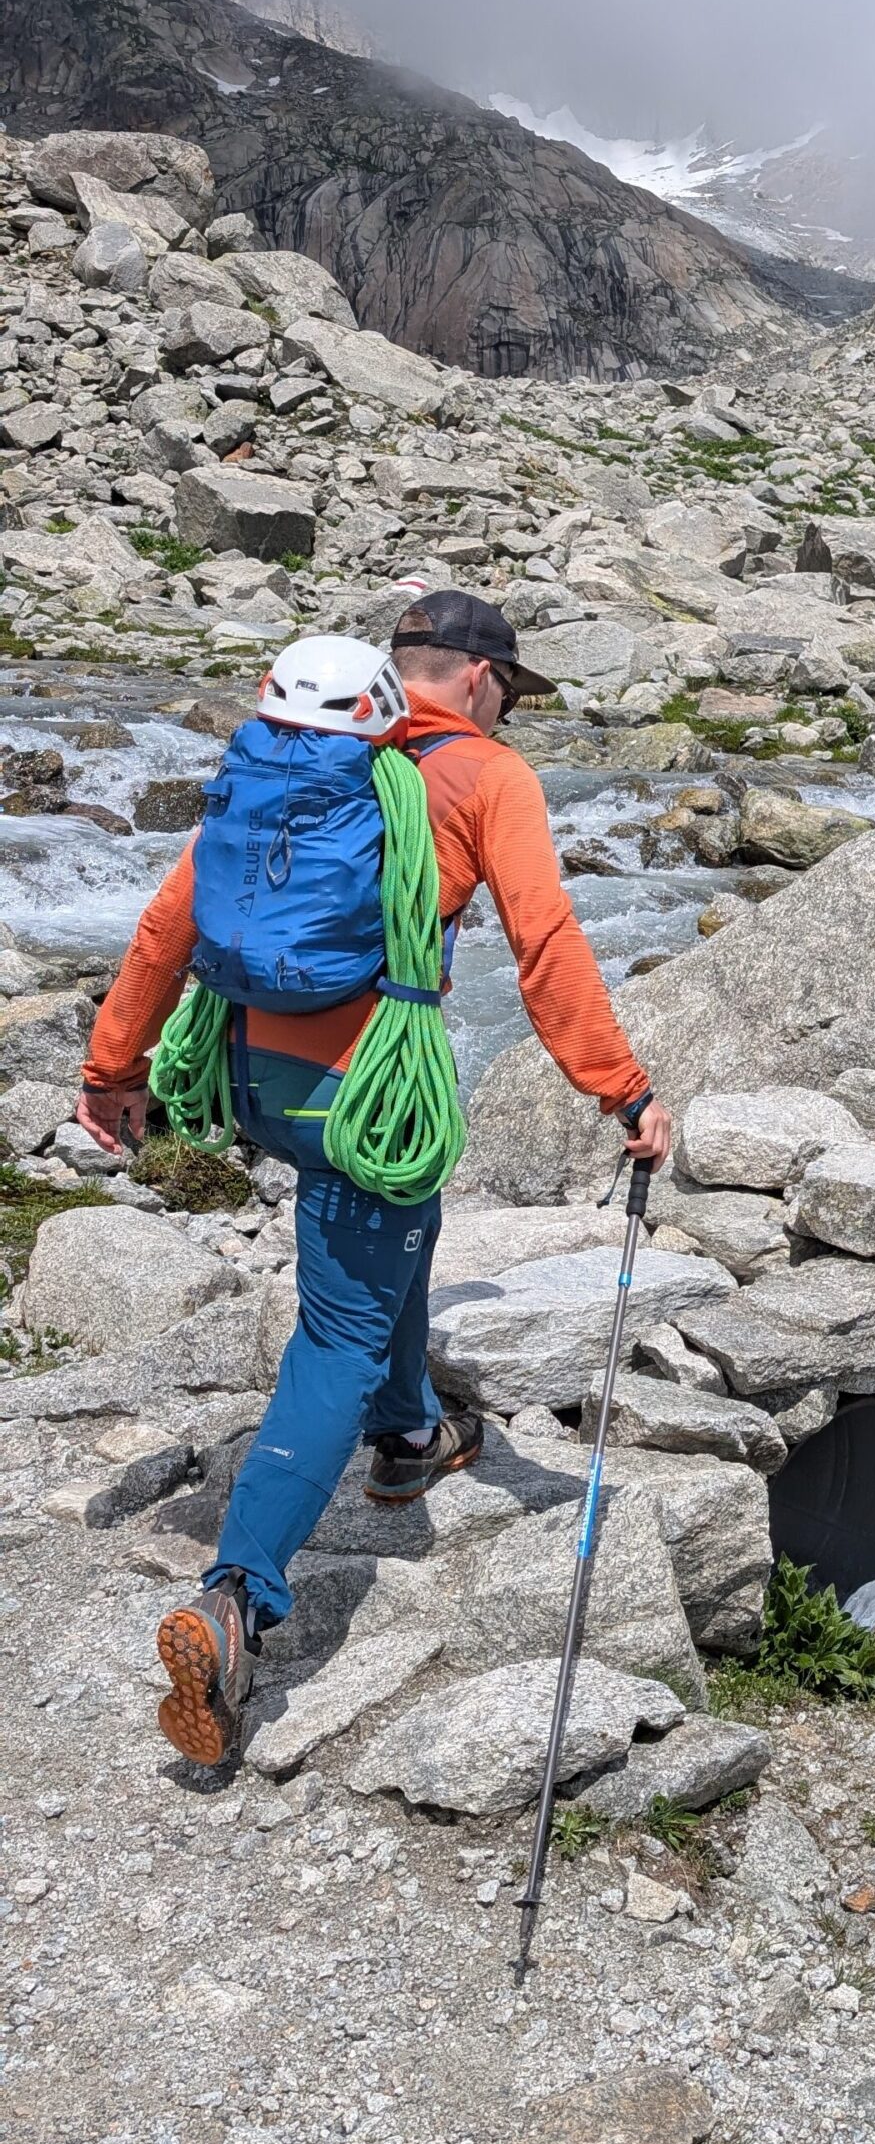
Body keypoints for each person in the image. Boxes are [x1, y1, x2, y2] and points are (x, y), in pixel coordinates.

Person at [77, 590, 673, 1764]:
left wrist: (111, 1070)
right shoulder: (485, 775)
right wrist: (623, 1088)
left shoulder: (298, 757)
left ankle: (411, 1435)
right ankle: (238, 1600)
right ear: (483, 678)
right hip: (367, 1095)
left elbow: (166, 925)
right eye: (513, 691)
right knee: (337, 1335)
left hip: (256, 1078)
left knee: (402, 1233)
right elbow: (546, 940)